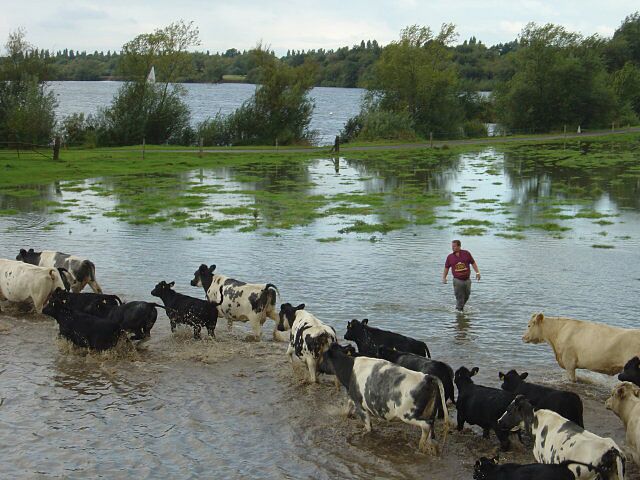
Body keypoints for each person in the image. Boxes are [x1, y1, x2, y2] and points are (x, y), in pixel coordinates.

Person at [442, 240, 480, 311]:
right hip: (457, 280)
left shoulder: (466, 253)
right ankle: (459, 312)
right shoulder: (450, 257)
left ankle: (459, 308)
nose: (453, 248)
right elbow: (446, 268)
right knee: (460, 297)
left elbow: (473, 263)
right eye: (452, 246)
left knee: (467, 296)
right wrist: (444, 277)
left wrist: (477, 273)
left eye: (454, 246)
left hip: (467, 280)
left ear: (459, 246)